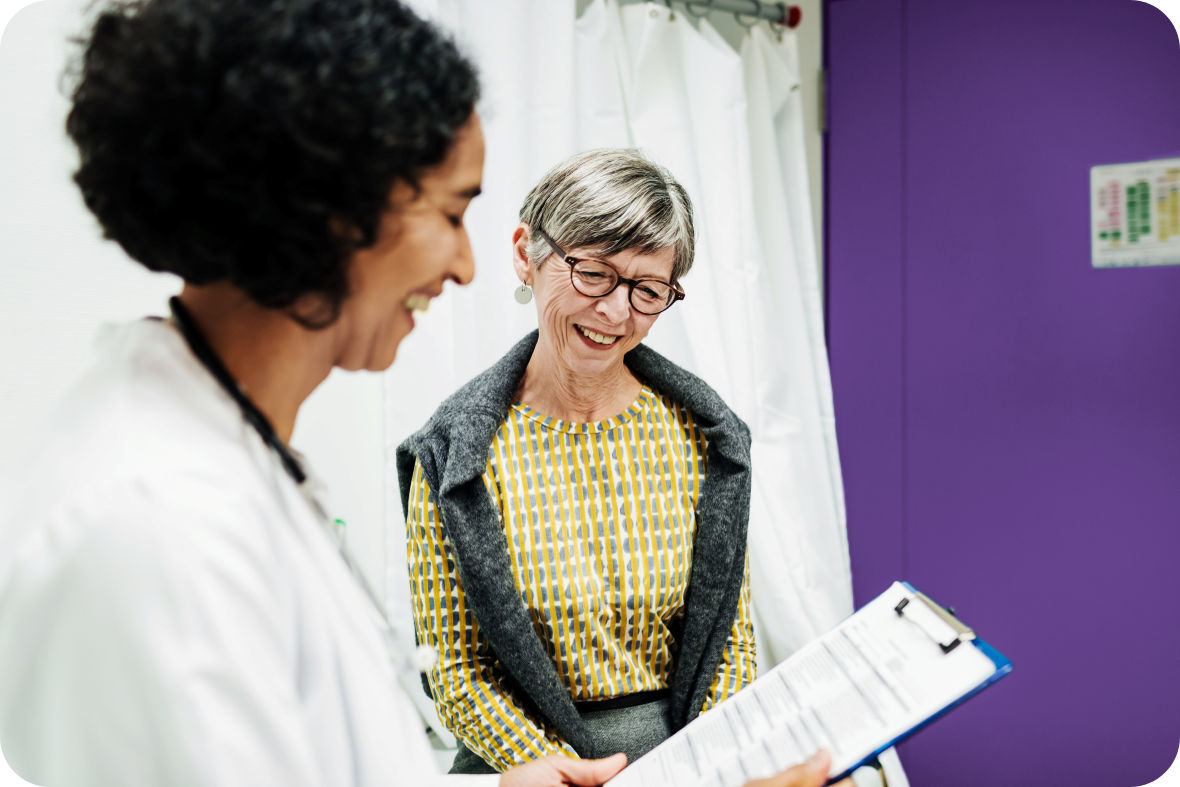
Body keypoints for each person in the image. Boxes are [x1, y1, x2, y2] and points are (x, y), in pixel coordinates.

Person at [0, 0, 849, 784]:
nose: (465, 264)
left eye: (648, 289)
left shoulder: (224, 462)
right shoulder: (158, 518)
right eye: (449, 212)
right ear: (331, 212)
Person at [399, 149, 760, 775]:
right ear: (526, 255)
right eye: (594, 273)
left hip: (681, 766)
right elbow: (456, 671)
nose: (616, 313)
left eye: (647, 290)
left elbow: (730, 642)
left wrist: (709, 766)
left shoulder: (705, 437)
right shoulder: (455, 453)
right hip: (524, 769)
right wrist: (562, 771)